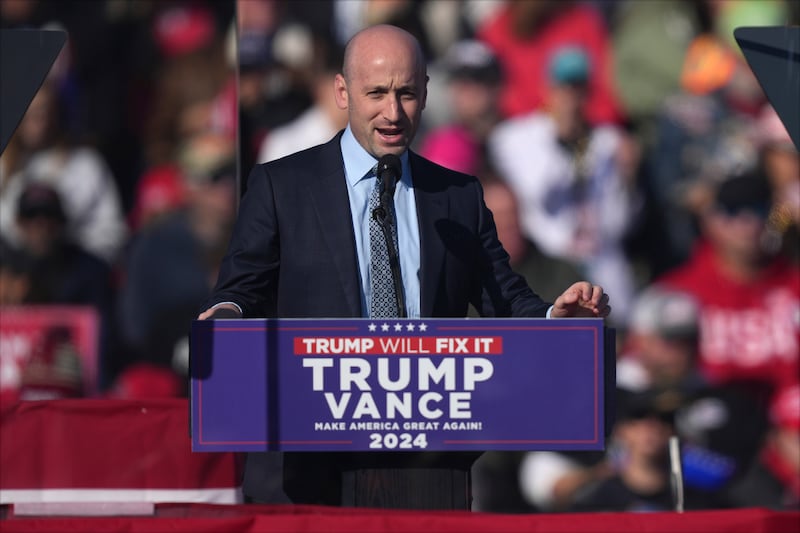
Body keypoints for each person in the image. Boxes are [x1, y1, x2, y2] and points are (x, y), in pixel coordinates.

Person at [199, 24, 610, 506]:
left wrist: (552, 321)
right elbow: (239, 293)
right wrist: (226, 317)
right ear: (342, 91)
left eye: (407, 93)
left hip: (430, 470)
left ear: (426, 94)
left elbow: (507, 298)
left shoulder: (458, 197)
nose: (393, 113)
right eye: (376, 93)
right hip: (309, 468)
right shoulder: (281, 186)